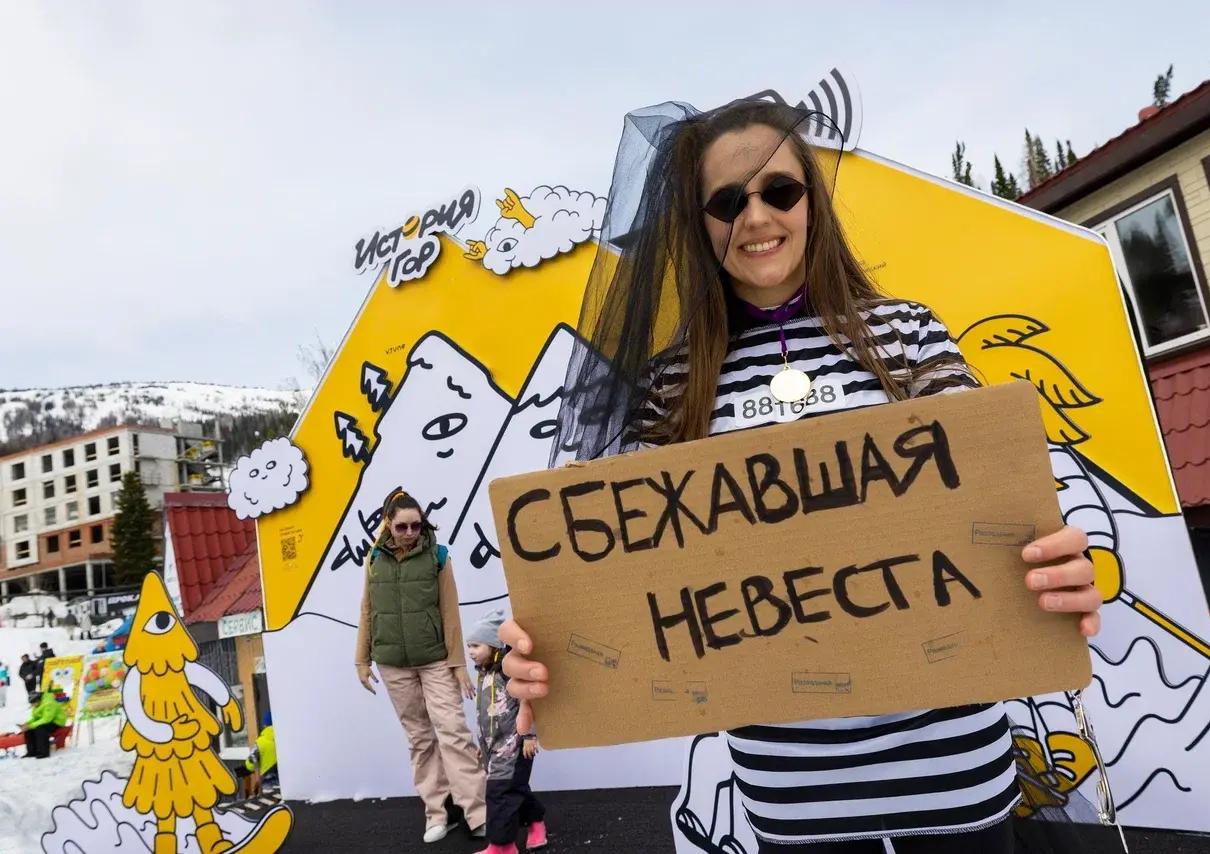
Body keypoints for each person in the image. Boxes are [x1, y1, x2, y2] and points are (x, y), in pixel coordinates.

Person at [500, 100, 1110, 853]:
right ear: (699, 225)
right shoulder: (674, 384)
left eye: (779, 190)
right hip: (794, 791)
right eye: (727, 201)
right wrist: (553, 644)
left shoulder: (907, 334)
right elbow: (620, 576)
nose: (756, 216)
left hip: (954, 768)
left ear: (812, 202)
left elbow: (993, 504)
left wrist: (1054, 565)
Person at [355, 489, 487, 843]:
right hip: (393, 664)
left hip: (435, 659)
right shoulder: (374, 558)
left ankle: (476, 813)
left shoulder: (438, 557)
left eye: (416, 525)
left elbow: (450, 612)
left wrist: (458, 664)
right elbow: (368, 609)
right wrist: (361, 659)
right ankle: (438, 813)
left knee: (453, 732)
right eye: (402, 527)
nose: (410, 532)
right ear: (388, 523)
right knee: (419, 738)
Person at [467, 610, 547, 854]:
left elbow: (527, 701)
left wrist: (529, 735)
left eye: (476, 645)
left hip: (514, 745)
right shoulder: (484, 674)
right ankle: (535, 821)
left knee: (500, 793)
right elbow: (487, 716)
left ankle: (502, 846)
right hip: (495, 747)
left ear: (493, 645)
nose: (470, 651)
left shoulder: (508, 671)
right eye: (469, 646)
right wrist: (483, 747)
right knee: (514, 789)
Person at [22, 684, 68, 759]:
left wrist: (32, 725)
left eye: (33, 703)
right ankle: (31, 752)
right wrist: (28, 724)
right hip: (47, 721)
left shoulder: (49, 703)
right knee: (29, 730)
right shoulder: (37, 704)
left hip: (56, 722)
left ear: (38, 700)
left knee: (40, 729)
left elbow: (47, 719)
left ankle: (43, 752)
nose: (33, 705)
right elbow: (36, 718)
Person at [244, 711, 279, 798]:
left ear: (264, 725)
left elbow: (250, 764)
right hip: (287, 785)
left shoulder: (260, 743)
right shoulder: (285, 738)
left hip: (268, 786)